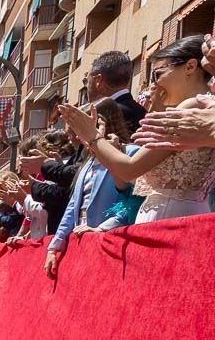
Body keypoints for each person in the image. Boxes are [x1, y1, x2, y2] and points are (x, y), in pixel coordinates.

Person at [58, 36, 214, 225]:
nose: (154, 84)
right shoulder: (204, 106)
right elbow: (134, 179)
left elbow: (129, 170)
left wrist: (91, 136)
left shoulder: (191, 107)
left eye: (158, 73)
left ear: (190, 67)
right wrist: (104, 147)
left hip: (169, 220)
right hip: (181, 215)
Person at [45, 98, 143, 279]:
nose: (76, 136)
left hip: (113, 251)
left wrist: (101, 230)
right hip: (83, 250)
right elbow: (73, 206)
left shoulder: (131, 154)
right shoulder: (87, 163)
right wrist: (55, 246)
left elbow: (134, 203)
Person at [84, 50, 147, 132]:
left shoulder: (102, 116)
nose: (86, 87)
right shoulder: (142, 112)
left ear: (98, 81)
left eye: (87, 82)